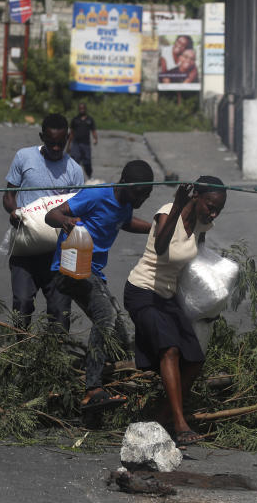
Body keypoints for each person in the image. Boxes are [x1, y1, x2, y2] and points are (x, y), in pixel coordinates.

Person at [44, 159, 155, 413]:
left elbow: (124, 222)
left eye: (146, 196)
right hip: (70, 267)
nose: (141, 201)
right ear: (125, 184)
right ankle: (91, 388)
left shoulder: (126, 202)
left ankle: (98, 383)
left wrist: (155, 228)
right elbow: (52, 215)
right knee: (103, 317)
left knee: (118, 335)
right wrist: (65, 221)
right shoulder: (96, 194)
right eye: (139, 194)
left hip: (91, 272)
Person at [123, 176, 227, 446]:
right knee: (169, 349)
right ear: (197, 197)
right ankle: (180, 425)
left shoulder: (203, 223)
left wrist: (209, 298)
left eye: (218, 209)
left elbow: (198, 257)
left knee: (194, 359)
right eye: (210, 206)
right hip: (142, 292)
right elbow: (160, 248)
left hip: (167, 297)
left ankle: (162, 416)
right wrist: (179, 203)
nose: (213, 213)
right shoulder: (167, 213)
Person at [3, 113, 84, 332]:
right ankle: (20, 351)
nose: (56, 148)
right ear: (42, 137)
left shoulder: (75, 171)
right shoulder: (24, 157)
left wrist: (70, 222)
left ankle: (54, 358)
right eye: (51, 143)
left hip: (57, 254)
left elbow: (78, 209)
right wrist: (14, 212)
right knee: (22, 304)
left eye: (61, 143)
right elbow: (9, 196)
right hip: (25, 249)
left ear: (68, 137)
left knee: (59, 312)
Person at [66, 102, 98, 180]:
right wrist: (68, 145)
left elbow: (93, 130)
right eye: (80, 108)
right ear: (78, 109)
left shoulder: (90, 120)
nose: (82, 110)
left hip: (86, 144)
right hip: (76, 144)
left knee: (87, 162)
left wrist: (95, 138)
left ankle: (90, 176)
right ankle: (74, 178)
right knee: (75, 161)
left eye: (83, 108)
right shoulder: (75, 120)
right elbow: (71, 133)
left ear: (85, 109)